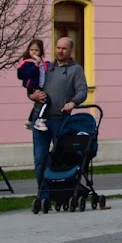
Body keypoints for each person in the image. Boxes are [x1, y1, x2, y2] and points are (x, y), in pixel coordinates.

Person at [30, 37, 88, 213]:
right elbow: (32, 86)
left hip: (60, 120)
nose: (60, 51)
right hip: (40, 118)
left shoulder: (75, 70)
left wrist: (73, 102)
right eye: (58, 47)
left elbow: (82, 91)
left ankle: (64, 193)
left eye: (64, 48)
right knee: (40, 159)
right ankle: (44, 196)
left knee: (61, 158)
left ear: (71, 50)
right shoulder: (46, 68)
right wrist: (32, 95)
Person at [16, 39, 50, 131]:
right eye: (32, 50)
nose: (34, 52)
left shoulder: (43, 63)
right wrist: (36, 65)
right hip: (32, 87)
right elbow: (23, 75)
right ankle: (40, 120)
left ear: (41, 52)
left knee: (38, 104)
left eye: (36, 50)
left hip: (39, 86)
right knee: (46, 102)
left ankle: (29, 121)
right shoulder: (27, 63)